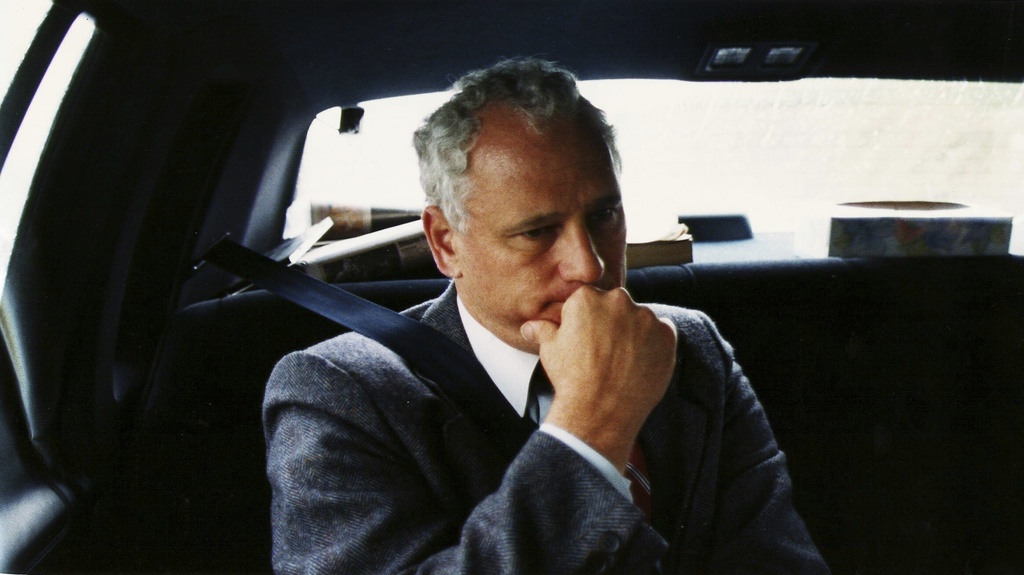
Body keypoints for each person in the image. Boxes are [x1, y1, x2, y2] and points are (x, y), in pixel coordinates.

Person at [264, 58, 828, 574]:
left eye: (604, 215)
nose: (589, 264)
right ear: (445, 243)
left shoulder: (688, 347)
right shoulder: (340, 394)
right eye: (537, 231)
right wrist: (592, 431)